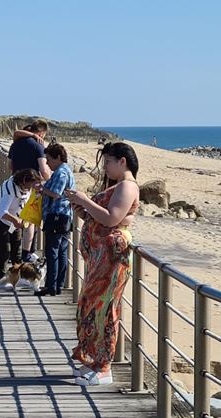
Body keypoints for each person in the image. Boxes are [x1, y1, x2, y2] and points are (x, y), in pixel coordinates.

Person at [67, 142, 139, 387]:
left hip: (111, 257)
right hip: (100, 256)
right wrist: (81, 207)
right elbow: (101, 217)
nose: (105, 167)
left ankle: (103, 366)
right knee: (91, 305)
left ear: (122, 161)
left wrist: (86, 200)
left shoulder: (128, 186)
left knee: (105, 309)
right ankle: (93, 361)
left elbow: (112, 218)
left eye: (108, 161)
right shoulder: (118, 186)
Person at [0, 169, 40, 287]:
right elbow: (2, 211)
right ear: (24, 181)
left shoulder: (27, 188)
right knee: (5, 249)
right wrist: (15, 220)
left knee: (17, 250)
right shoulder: (10, 189)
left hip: (14, 220)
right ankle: (1, 280)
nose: (32, 186)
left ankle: (18, 277)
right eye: (31, 184)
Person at [36, 143, 75, 297]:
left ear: (58, 157)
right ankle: (57, 285)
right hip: (63, 216)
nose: (47, 163)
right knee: (61, 251)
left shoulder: (61, 172)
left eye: (49, 159)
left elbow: (56, 193)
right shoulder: (63, 170)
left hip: (57, 216)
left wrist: (41, 188)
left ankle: (51, 286)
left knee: (53, 251)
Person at [9, 120, 50, 262]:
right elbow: (44, 169)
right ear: (41, 133)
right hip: (32, 186)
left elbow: (10, 165)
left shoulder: (15, 144)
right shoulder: (38, 145)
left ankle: (13, 252)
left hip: (15, 183)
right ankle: (27, 252)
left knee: (15, 217)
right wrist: (50, 181)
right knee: (30, 220)